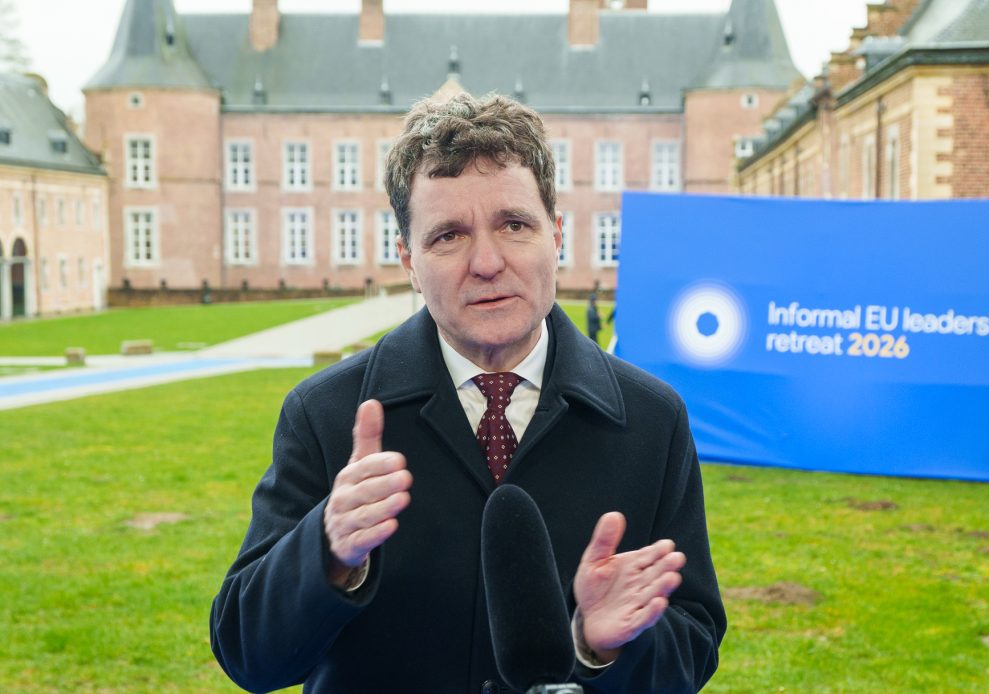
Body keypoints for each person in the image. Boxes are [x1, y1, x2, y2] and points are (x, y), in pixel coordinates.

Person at [210, 93, 726, 693]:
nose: (486, 262)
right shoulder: (326, 414)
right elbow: (248, 657)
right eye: (449, 236)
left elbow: (693, 650)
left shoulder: (650, 420)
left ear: (556, 235)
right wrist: (324, 553)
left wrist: (605, 646)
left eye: (514, 225)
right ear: (408, 259)